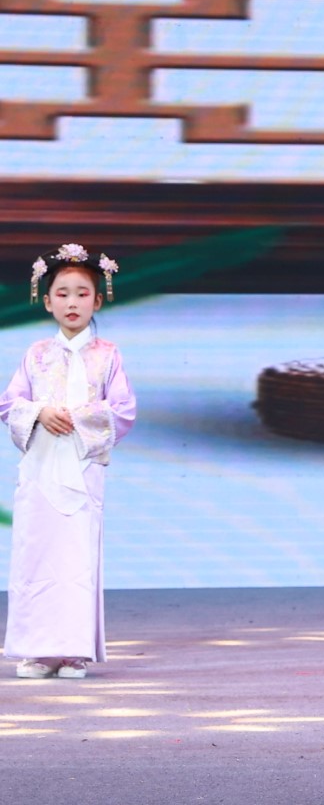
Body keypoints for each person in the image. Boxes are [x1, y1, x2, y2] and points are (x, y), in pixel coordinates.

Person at [1, 243, 136, 679]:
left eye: (82, 294)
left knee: (77, 559)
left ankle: (74, 650)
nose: (72, 302)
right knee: (35, 554)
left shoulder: (108, 355)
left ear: (98, 301)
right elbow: (9, 403)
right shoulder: (36, 354)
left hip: (82, 464)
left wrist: (78, 418)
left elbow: (123, 410)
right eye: (62, 294)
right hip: (41, 465)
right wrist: (40, 412)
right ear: (46, 301)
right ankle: (36, 650)